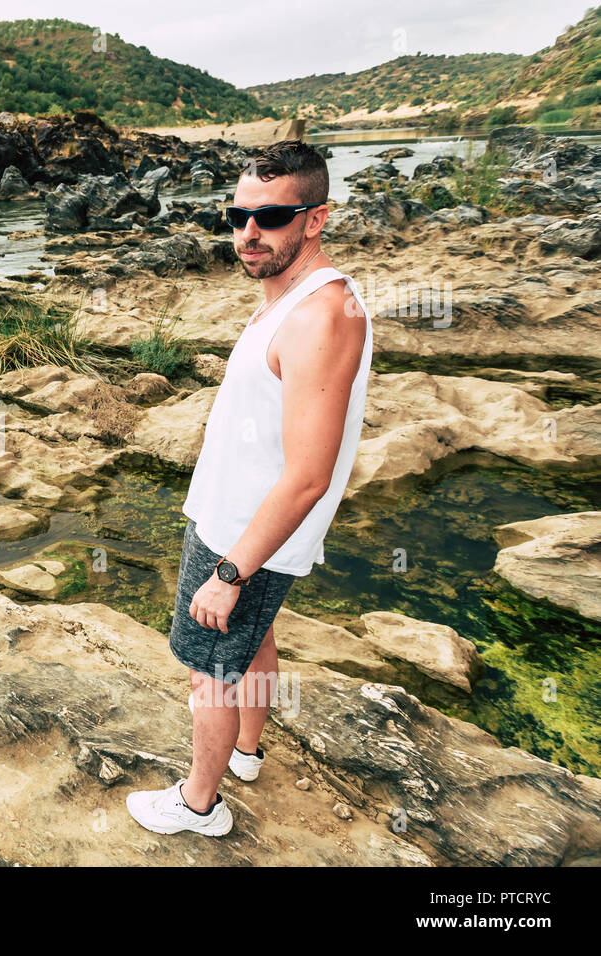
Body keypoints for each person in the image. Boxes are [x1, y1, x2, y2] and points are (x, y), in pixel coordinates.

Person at [126, 140, 373, 837]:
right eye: (238, 217)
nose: (248, 234)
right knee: (252, 644)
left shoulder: (320, 315)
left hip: (247, 537)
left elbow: (308, 474)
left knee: (209, 671)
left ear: (316, 218)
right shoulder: (292, 298)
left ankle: (199, 804)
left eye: (270, 218)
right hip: (234, 523)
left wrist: (231, 572)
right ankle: (247, 751)